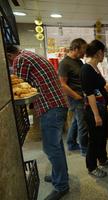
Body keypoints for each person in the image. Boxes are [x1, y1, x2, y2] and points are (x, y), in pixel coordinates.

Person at [6, 45, 69, 200]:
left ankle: (61, 185)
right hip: (57, 105)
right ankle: (59, 176)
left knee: (51, 148)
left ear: (8, 55)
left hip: (50, 107)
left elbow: (20, 85)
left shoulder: (20, 59)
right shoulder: (29, 55)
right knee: (57, 146)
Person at [81, 40, 108, 178]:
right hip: (93, 111)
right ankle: (92, 167)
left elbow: (98, 88)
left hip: (102, 108)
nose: (104, 55)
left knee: (103, 136)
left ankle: (103, 159)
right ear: (99, 52)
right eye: (104, 52)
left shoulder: (95, 68)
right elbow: (89, 93)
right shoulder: (86, 69)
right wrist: (96, 115)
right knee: (94, 139)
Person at [58, 38, 88, 156]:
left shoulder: (79, 62)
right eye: (83, 50)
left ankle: (71, 144)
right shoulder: (64, 63)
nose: (84, 53)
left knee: (76, 121)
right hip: (75, 98)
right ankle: (85, 149)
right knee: (83, 124)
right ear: (75, 48)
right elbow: (62, 85)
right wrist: (77, 96)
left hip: (81, 96)